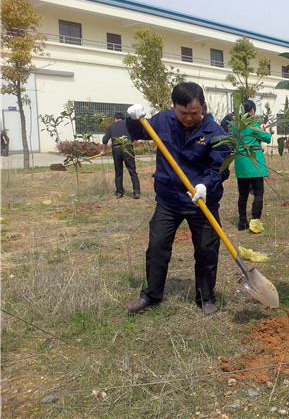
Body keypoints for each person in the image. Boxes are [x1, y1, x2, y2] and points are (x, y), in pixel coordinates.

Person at [124, 82, 230, 315]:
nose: (188, 118)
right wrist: (133, 119)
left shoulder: (216, 133)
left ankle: (206, 298)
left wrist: (205, 185)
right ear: (174, 107)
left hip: (202, 201)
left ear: (203, 107)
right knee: (157, 246)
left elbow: (220, 169)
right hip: (169, 199)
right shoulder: (163, 120)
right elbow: (138, 132)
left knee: (207, 250)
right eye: (183, 113)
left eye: (194, 113)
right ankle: (151, 295)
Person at [232, 100, 272, 231]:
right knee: (258, 193)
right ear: (252, 111)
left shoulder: (236, 125)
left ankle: (242, 222)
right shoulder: (253, 125)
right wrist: (266, 128)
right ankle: (255, 221)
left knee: (243, 194)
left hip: (241, 164)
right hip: (255, 164)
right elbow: (267, 138)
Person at [101, 112, 141, 199]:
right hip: (127, 148)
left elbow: (105, 140)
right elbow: (135, 137)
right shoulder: (128, 125)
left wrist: (103, 151)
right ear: (123, 119)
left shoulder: (111, 126)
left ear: (115, 118)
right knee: (132, 171)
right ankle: (136, 192)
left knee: (118, 172)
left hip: (116, 149)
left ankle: (119, 192)